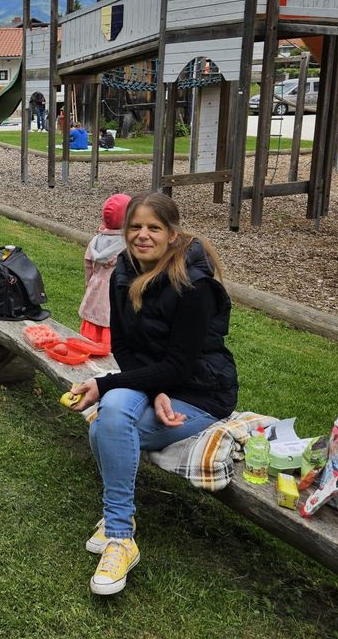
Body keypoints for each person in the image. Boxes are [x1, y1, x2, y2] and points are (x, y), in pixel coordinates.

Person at [70, 192, 238, 596]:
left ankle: (117, 531)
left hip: (200, 392)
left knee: (104, 428)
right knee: (111, 416)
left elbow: (181, 365)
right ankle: (121, 531)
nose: (142, 235)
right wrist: (155, 388)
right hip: (155, 382)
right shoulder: (122, 272)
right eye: (134, 227)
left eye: (153, 228)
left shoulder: (195, 286)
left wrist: (105, 383)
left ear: (172, 234)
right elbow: (123, 347)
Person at [78, 193, 130, 347]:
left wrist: (89, 284)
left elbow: (88, 266)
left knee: (89, 335)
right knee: (112, 332)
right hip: (116, 293)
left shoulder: (95, 241)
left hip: (95, 291)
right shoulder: (128, 245)